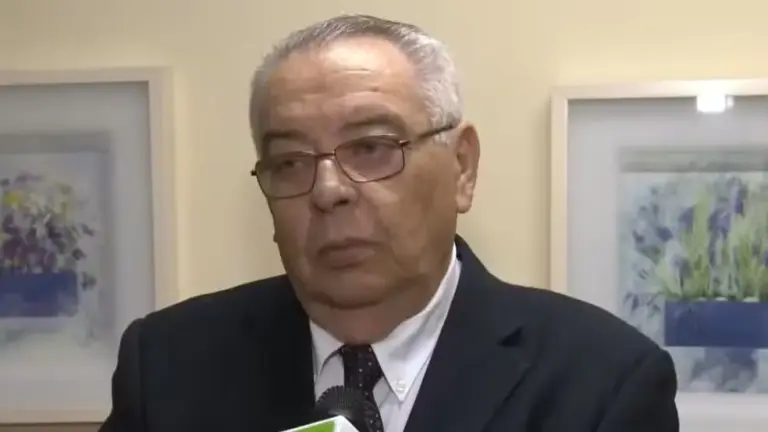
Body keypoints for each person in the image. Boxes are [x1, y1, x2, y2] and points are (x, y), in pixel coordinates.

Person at [99, 13, 679, 432]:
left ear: (462, 167)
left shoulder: (603, 383)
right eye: (291, 162)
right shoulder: (169, 365)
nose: (328, 191)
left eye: (372, 148)